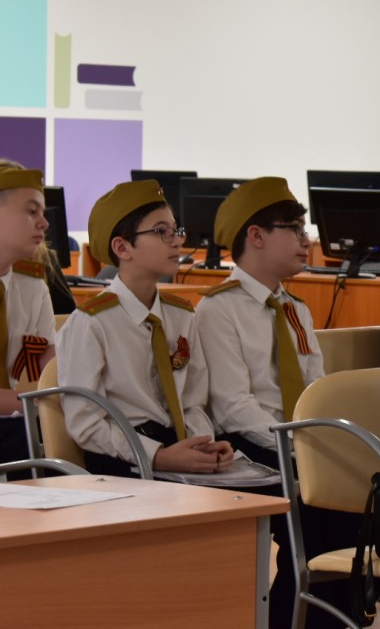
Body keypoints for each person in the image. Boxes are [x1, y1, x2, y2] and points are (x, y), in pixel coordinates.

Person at [195, 176, 353, 629]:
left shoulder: (295, 308)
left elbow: (315, 386)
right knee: (313, 518)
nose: (306, 241)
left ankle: (334, 617)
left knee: (363, 511)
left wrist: (325, 438)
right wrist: (297, 445)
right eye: (295, 229)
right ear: (257, 235)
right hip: (247, 444)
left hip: (298, 442)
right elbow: (232, 406)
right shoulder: (218, 309)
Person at [58, 179, 234, 477]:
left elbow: (193, 403)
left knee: (262, 491)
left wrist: (202, 444)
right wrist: (158, 457)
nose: (177, 241)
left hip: (175, 444)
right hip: (122, 457)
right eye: (161, 231)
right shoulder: (92, 322)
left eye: (176, 230)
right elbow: (85, 424)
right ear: (122, 247)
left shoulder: (181, 315)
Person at [0, 162, 56, 467]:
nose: (44, 223)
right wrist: (33, 404)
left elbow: (50, 371)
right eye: (32, 211)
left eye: (43, 213)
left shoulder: (32, 287)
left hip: (11, 425)